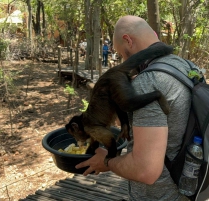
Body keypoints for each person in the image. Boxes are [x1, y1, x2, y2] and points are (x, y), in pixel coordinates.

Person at [75, 15, 191, 201]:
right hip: (187, 186)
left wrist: (107, 161)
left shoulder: (148, 83)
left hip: (159, 196)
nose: (122, 59)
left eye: (121, 53)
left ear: (128, 40)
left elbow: (146, 171)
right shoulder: (183, 65)